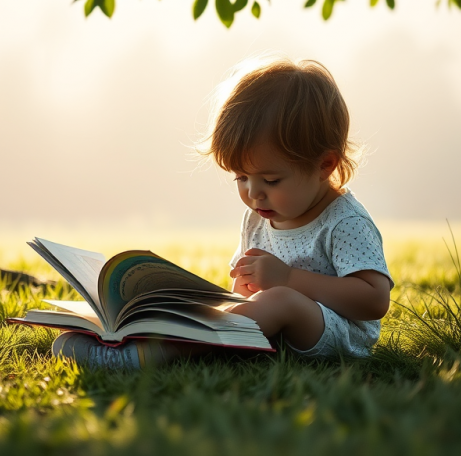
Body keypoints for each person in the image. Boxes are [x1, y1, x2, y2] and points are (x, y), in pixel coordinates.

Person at [53, 58, 392, 367]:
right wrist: (242, 293)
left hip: (339, 336)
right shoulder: (259, 215)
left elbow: (374, 301)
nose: (253, 193)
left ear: (324, 165)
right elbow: (246, 291)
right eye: (241, 177)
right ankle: (121, 338)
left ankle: (157, 355)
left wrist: (288, 280)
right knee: (220, 308)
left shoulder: (343, 220)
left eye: (271, 179)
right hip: (277, 330)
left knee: (282, 301)